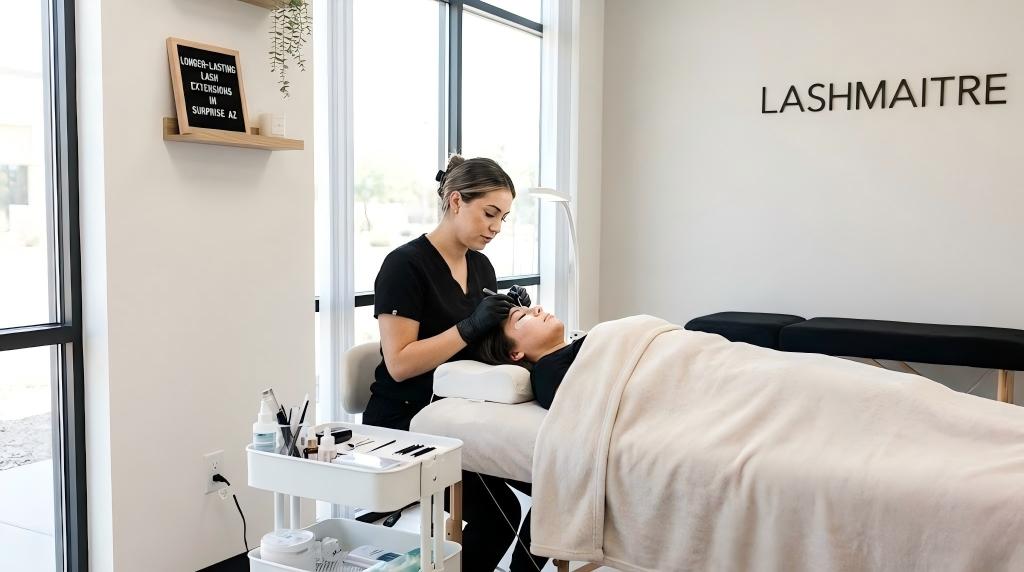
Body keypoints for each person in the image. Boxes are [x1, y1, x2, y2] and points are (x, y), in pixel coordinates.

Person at [365, 154, 538, 571]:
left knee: (556, 486)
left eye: (504, 217)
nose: (496, 227)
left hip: (462, 416)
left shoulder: (480, 265)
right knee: (500, 518)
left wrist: (511, 323)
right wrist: (470, 325)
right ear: (456, 201)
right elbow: (400, 365)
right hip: (407, 420)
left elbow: (477, 350)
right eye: (489, 213)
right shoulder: (404, 266)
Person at [476, 305, 585, 409]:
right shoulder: (545, 370)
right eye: (522, 317)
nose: (538, 308)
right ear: (515, 353)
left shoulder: (578, 347)